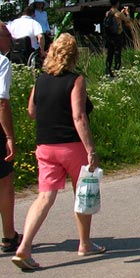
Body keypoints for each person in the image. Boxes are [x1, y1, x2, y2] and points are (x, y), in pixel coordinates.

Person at [13, 34, 104, 271]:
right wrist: (91, 149)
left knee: (44, 197)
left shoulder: (40, 79)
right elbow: (79, 116)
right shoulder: (76, 80)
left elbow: (31, 111)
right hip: (71, 146)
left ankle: (24, 247)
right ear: (73, 55)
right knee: (81, 192)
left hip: (45, 146)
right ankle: (84, 243)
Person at [0, 52, 20, 255]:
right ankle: (8, 235)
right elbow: (2, 101)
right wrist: (9, 137)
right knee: (4, 181)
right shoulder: (2, 61)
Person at [103, 0, 128, 77]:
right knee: (117, 53)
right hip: (117, 36)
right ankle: (117, 70)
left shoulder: (108, 13)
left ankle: (108, 69)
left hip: (109, 36)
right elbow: (127, 20)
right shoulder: (119, 14)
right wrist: (127, 13)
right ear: (117, 3)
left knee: (109, 53)